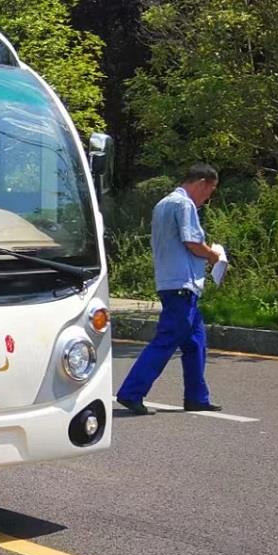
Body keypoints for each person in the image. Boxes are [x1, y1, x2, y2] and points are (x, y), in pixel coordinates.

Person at [116, 165, 223, 415]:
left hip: (173, 283)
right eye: (210, 191)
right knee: (166, 340)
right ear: (202, 183)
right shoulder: (184, 205)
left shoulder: (163, 203)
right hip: (181, 285)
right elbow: (192, 242)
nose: (208, 198)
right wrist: (213, 256)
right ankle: (131, 392)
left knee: (196, 342)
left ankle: (197, 397)